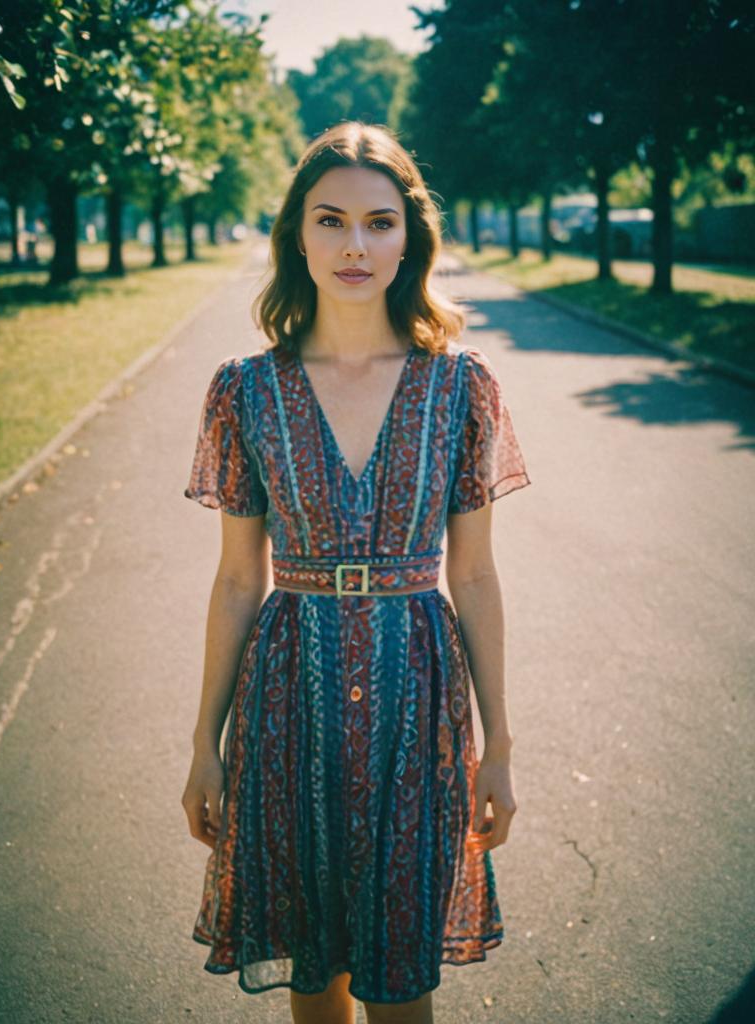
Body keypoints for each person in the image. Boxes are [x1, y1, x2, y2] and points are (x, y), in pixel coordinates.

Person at [181, 121, 532, 1024]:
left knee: (399, 976)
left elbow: (479, 577)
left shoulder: (461, 385)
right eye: (330, 220)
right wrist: (203, 745)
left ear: (408, 235)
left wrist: (501, 743)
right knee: (312, 969)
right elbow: (234, 580)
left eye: (378, 222)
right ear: (296, 234)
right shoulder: (245, 389)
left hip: (418, 698)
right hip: (287, 696)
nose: (353, 245)